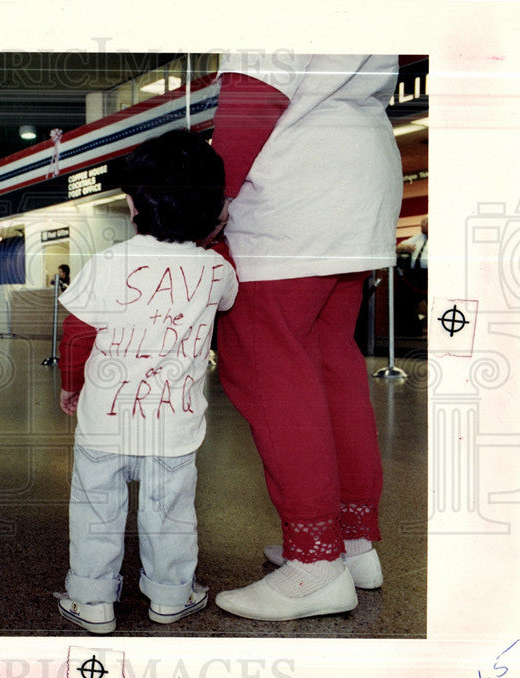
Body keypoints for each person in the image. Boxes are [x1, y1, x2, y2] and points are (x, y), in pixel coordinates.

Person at [210, 54, 402, 621]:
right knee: (331, 364)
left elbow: (253, 93)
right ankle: (350, 542)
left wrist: (207, 197)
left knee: (270, 368)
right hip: (361, 174)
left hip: (292, 192)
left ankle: (314, 563)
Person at [54, 129, 238, 634]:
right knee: (171, 517)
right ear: (213, 206)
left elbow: (76, 336)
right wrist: (213, 233)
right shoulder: (216, 270)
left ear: (133, 205)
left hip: (105, 425)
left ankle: (92, 600)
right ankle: (171, 596)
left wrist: (71, 385)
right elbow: (225, 298)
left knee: (96, 512)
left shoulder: (107, 264)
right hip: (173, 430)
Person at [395, 216, 428, 336]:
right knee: (403, 302)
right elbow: (398, 247)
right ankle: (412, 333)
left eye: (426, 221)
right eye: (422, 221)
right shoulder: (417, 238)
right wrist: (404, 247)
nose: (423, 224)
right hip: (414, 275)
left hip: (431, 274)